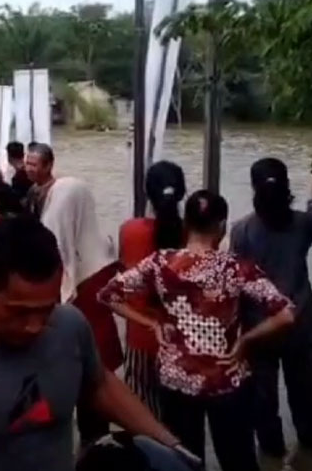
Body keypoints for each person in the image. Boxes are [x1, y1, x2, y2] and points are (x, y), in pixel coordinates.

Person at [0, 216, 193, 471]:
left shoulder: (70, 326)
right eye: (19, 311)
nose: (35, 326)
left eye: (46, 309)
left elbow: (100, 384)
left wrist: (171, 446)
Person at [100, 190, 296, 471]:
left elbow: (109, 295)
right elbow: (286, 314)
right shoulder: (236, 268)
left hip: (176, 379)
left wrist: (151, 323)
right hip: (226, 379)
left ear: (186, 224)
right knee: (238, 460)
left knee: (185, 461)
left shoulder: (160, 263)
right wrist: (245, 341)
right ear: (222, 226)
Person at [231, 158, 312, 457]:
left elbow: (235, 286)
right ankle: (311, 459)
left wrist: (235, 338)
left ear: (253, 189)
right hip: (301, 327)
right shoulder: (302, 224)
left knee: (264, 410)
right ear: (287, 187)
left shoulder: (241, 230)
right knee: (306, 405)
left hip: (260, 332)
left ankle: (273, 460)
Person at [40, 176, 124, 446]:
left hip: (73, 359)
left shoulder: (48, 263)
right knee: (94, 424)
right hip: (97, 356)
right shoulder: (105, 252)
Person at [118, 161, 187, 415]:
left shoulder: (130, 231)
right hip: (183, 345)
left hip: (142, 340)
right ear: (181, 193)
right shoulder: (193, 234)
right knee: (182, 425)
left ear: (148, 193)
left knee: (144, 420)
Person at [23, 142, 56, 219]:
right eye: (27, 164)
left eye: (33, 165)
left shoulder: (54, 192)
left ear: (48, 166)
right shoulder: (32, 190)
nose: (28, 169)